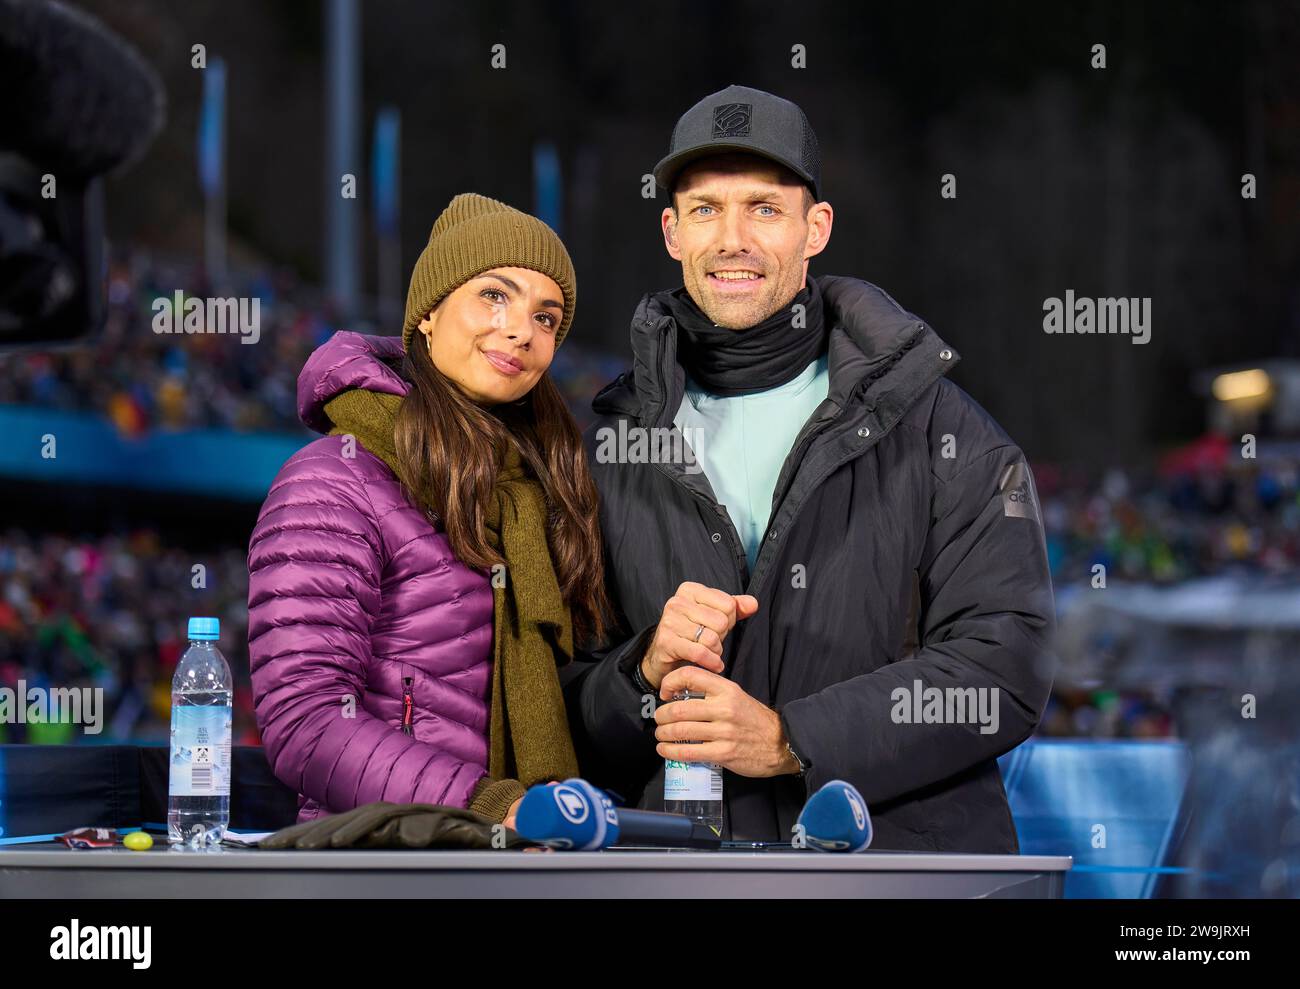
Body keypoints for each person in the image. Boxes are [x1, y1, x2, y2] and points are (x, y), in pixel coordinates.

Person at [562, 85, 1057, 851]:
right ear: (671, 231)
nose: (733, 238)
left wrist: (794, 739)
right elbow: (562, 702)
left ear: (814, 228)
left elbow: (1004, 669)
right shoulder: (608, 450)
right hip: (679, 871)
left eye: (764, 207)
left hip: (893, 872)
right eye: (705, 209)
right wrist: (637, 676)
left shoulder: (941, 428)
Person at [248, 193, 609, 831]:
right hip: (380, 865)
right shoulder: (337, 478)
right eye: (494, 295)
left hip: (514, 862)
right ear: (429, 314)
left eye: (546, 318)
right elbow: (304, 720)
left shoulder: (537, 491)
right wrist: (491, 808)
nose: (522, 330)